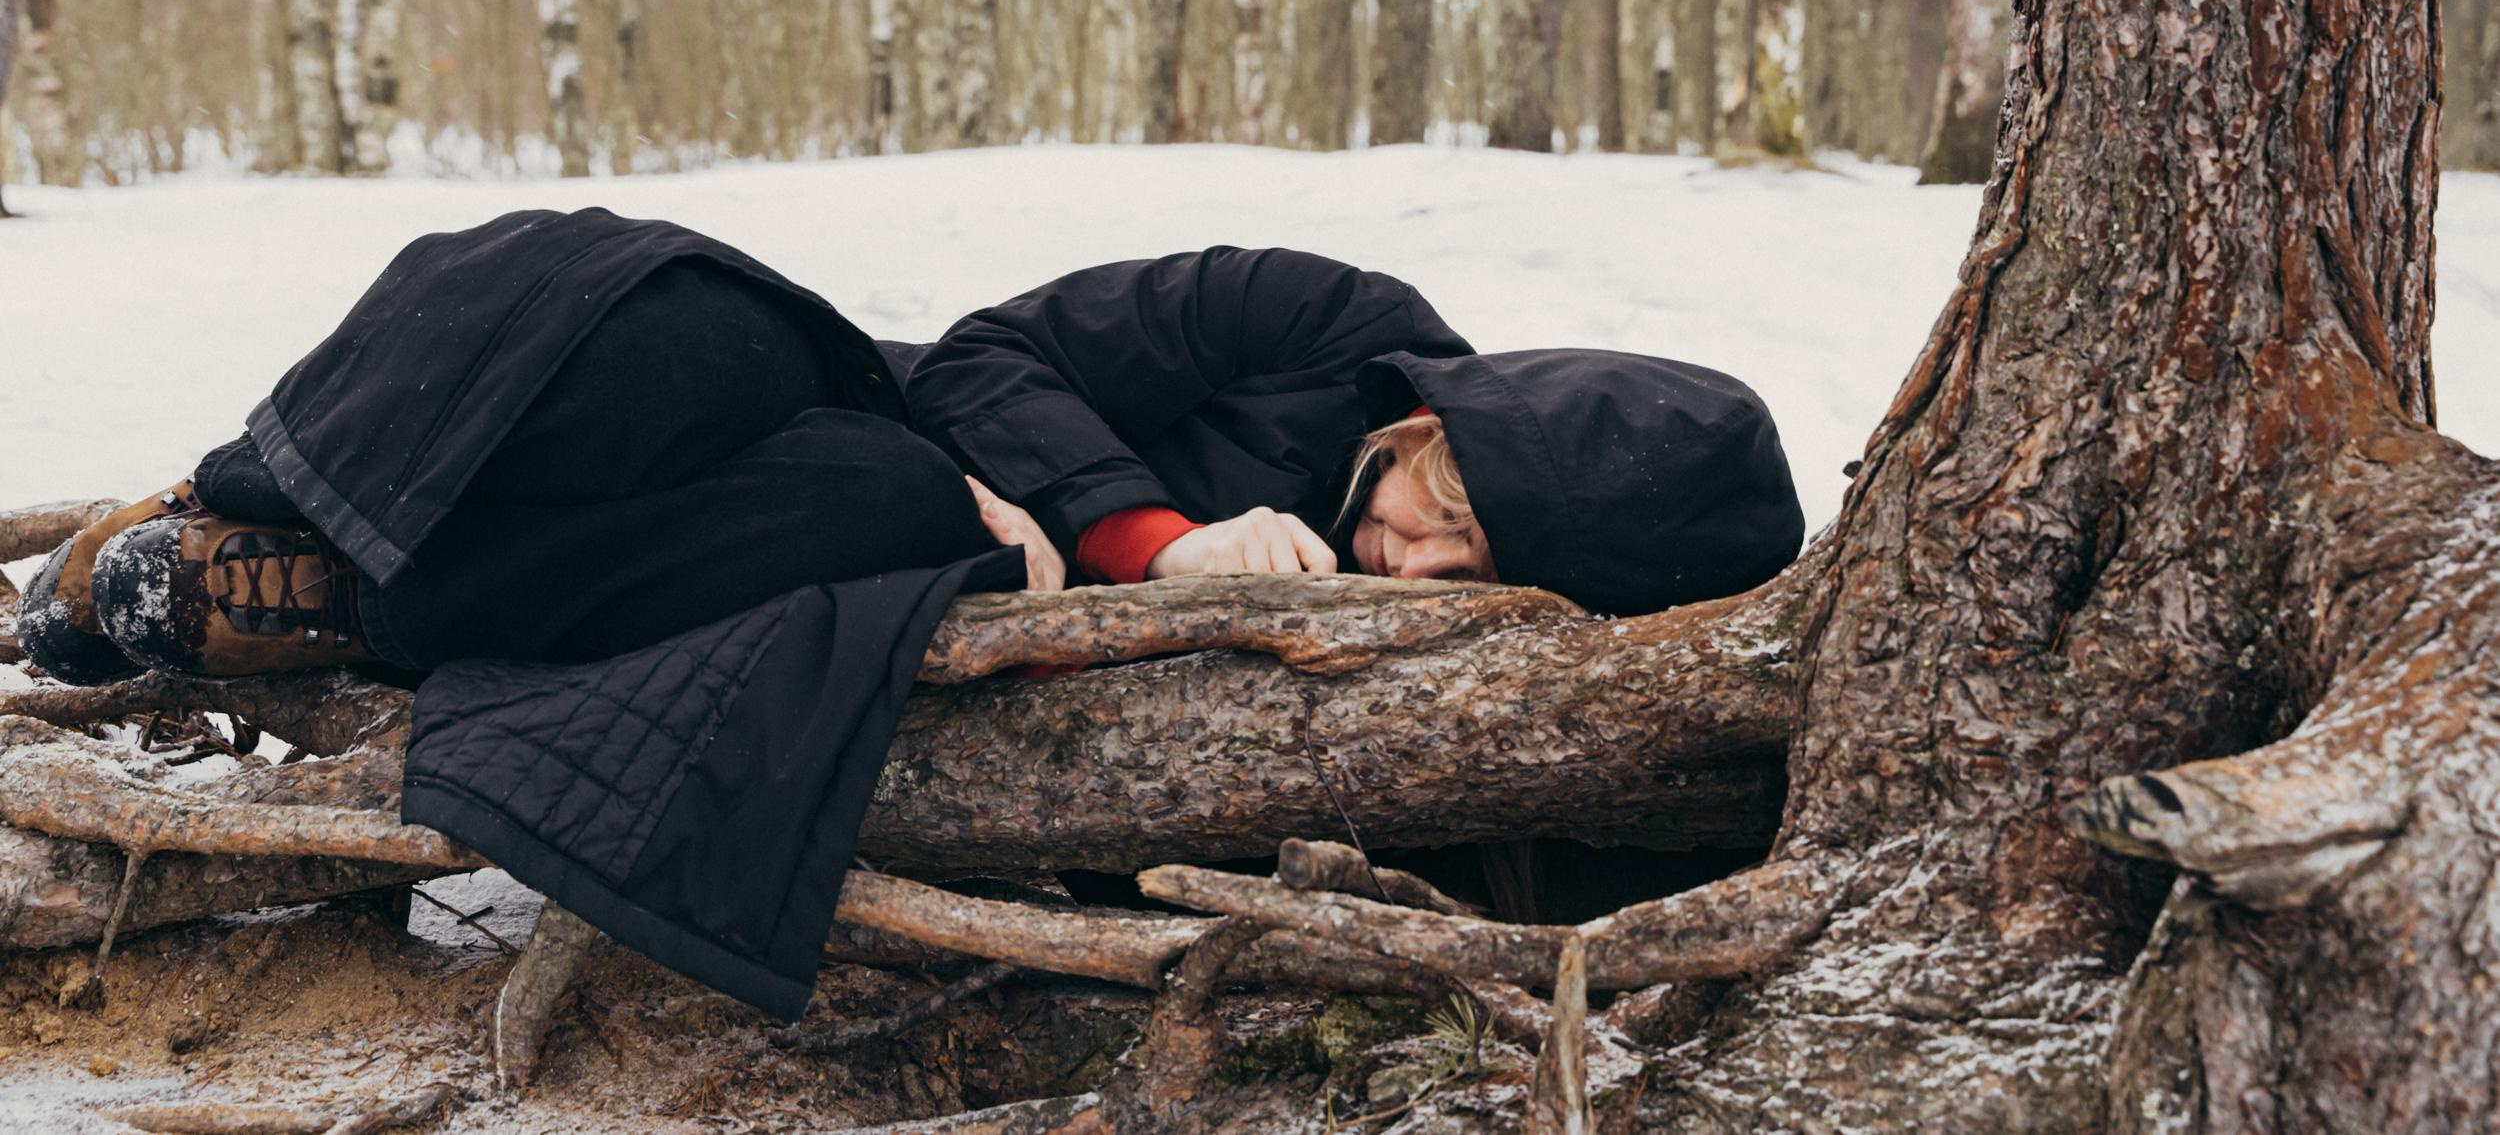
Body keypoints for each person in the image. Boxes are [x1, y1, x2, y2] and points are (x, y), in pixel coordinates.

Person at [19, 211, 1804, 1018]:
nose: (1418, 562)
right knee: (644, 296)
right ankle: (238, 509)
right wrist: (1151, 534)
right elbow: (993, 352)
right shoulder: (1329, 318)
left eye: (1468, 572)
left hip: (879, 554)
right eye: (1446, 504)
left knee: (864, 512)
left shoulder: (1445, 650)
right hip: (868, 412)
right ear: (1440, 422)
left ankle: (311, 601)